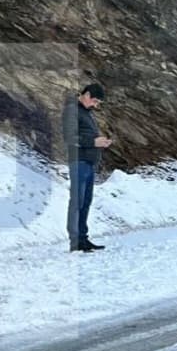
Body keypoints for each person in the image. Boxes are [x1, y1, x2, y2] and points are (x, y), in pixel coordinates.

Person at [62, 82, 112, 252]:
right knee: (77, 201)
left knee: (86, 202)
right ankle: (75, 240)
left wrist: (100, 142)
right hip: (79, 162)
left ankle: (83, 238)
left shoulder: (86, 113)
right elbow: (69, 137)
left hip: (88, 163)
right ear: (87, 95)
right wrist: (93, 142)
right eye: (95, 101)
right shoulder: (72, 110)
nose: (96, 105)